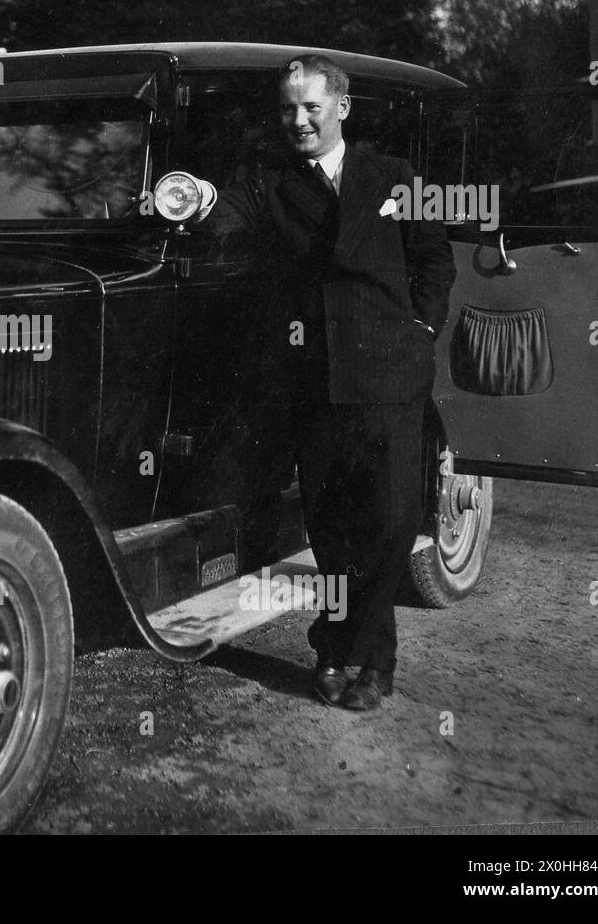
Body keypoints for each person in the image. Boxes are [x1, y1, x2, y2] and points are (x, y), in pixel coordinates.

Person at [212, 54, 456, 711]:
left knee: (392, 523)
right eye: (288, 108)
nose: (298, 120)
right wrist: (192, 199)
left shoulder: (394, 176)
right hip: (316, 381)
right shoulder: (270, 184)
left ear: (341, 108)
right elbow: (223, 213)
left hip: (388, 378)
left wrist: (421, 330)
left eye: (311, 107)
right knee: (332, 531)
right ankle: (347, 657)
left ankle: (349, 650)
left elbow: (435, 258)